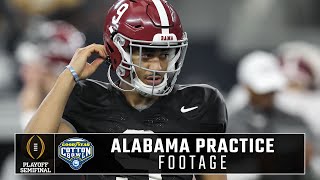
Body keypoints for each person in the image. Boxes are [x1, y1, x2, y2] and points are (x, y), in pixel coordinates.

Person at [25, 0, 228, 180]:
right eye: (146, 54)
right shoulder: (88, 100)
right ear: (118, 51)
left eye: (165, 54)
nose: (157, 67)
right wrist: (69, 75)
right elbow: (33, 154)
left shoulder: (199, 104)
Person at [227, 51, 316, 180]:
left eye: (271, 89)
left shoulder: (296, 121)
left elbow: (311, 153)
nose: (269, 94)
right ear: (246, 87)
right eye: (263, 90)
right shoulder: (230, 125)